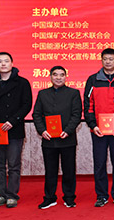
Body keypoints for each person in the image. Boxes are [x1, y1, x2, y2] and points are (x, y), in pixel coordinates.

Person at [0, 52, 32, 209]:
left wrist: (12, 121)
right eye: (0, 61)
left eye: (6, 61)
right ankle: (0, 195)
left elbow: (26, 105)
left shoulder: (22, 83)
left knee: (14, 165)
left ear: (12, 63)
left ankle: (12, 195)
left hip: (13, 129)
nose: (3, 64)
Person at [84, 48, 114, 207]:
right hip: (98, 131)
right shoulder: (93, 80)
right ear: (101, 60)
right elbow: (88, 105)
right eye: (105, 59)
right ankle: (101, 195)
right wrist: (93, 125)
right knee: (99, 164)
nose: (108, 62)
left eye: (111, 59)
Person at [32, 66, 82, 209]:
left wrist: (68, 130)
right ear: (50, 77)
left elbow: (76, 114)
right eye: (55, 75)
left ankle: (69, 197)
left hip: (67, 138)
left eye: (61, 75)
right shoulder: (43, 94)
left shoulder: (73, 93)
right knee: (50, 170)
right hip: (48, 139)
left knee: (69, 170)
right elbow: (36, 114)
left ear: (66, 77)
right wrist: (42, 131)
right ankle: (49, 198)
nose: (58, 77)